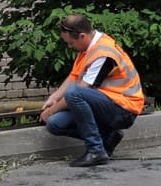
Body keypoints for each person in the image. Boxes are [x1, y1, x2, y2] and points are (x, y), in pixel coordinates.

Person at [39, 13, 144, 167]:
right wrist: (54, 97)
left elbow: (77, 92)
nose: (70, 46)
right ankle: (108, 137)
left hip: (124, 109)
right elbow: (74, 77)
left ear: (82, 36)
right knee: (55, 124)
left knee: (73, 94)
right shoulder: (88, 47)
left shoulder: (103, 53)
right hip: (105, 103)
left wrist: (50, 111)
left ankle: (96, 151)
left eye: (71, 43)